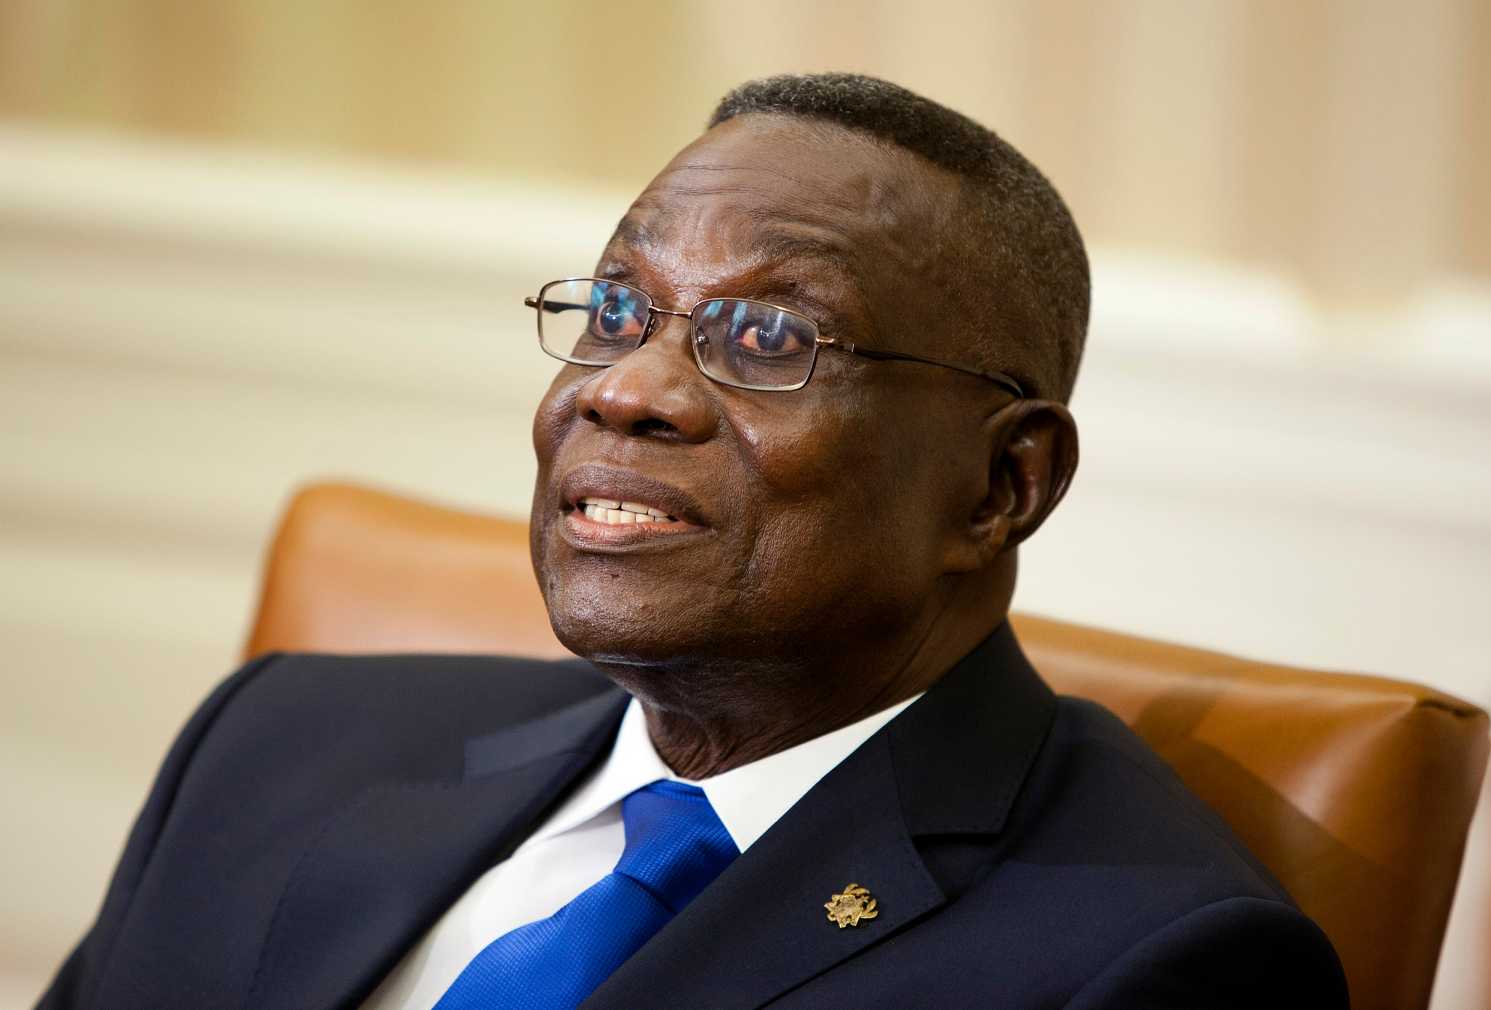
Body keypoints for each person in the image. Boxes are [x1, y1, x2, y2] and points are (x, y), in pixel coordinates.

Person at [38, 73, 1348, 1009]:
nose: (624, 390)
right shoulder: (276, 744)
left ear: (1002, 486)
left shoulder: (1151, 960)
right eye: (617, 310)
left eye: (768, 337)